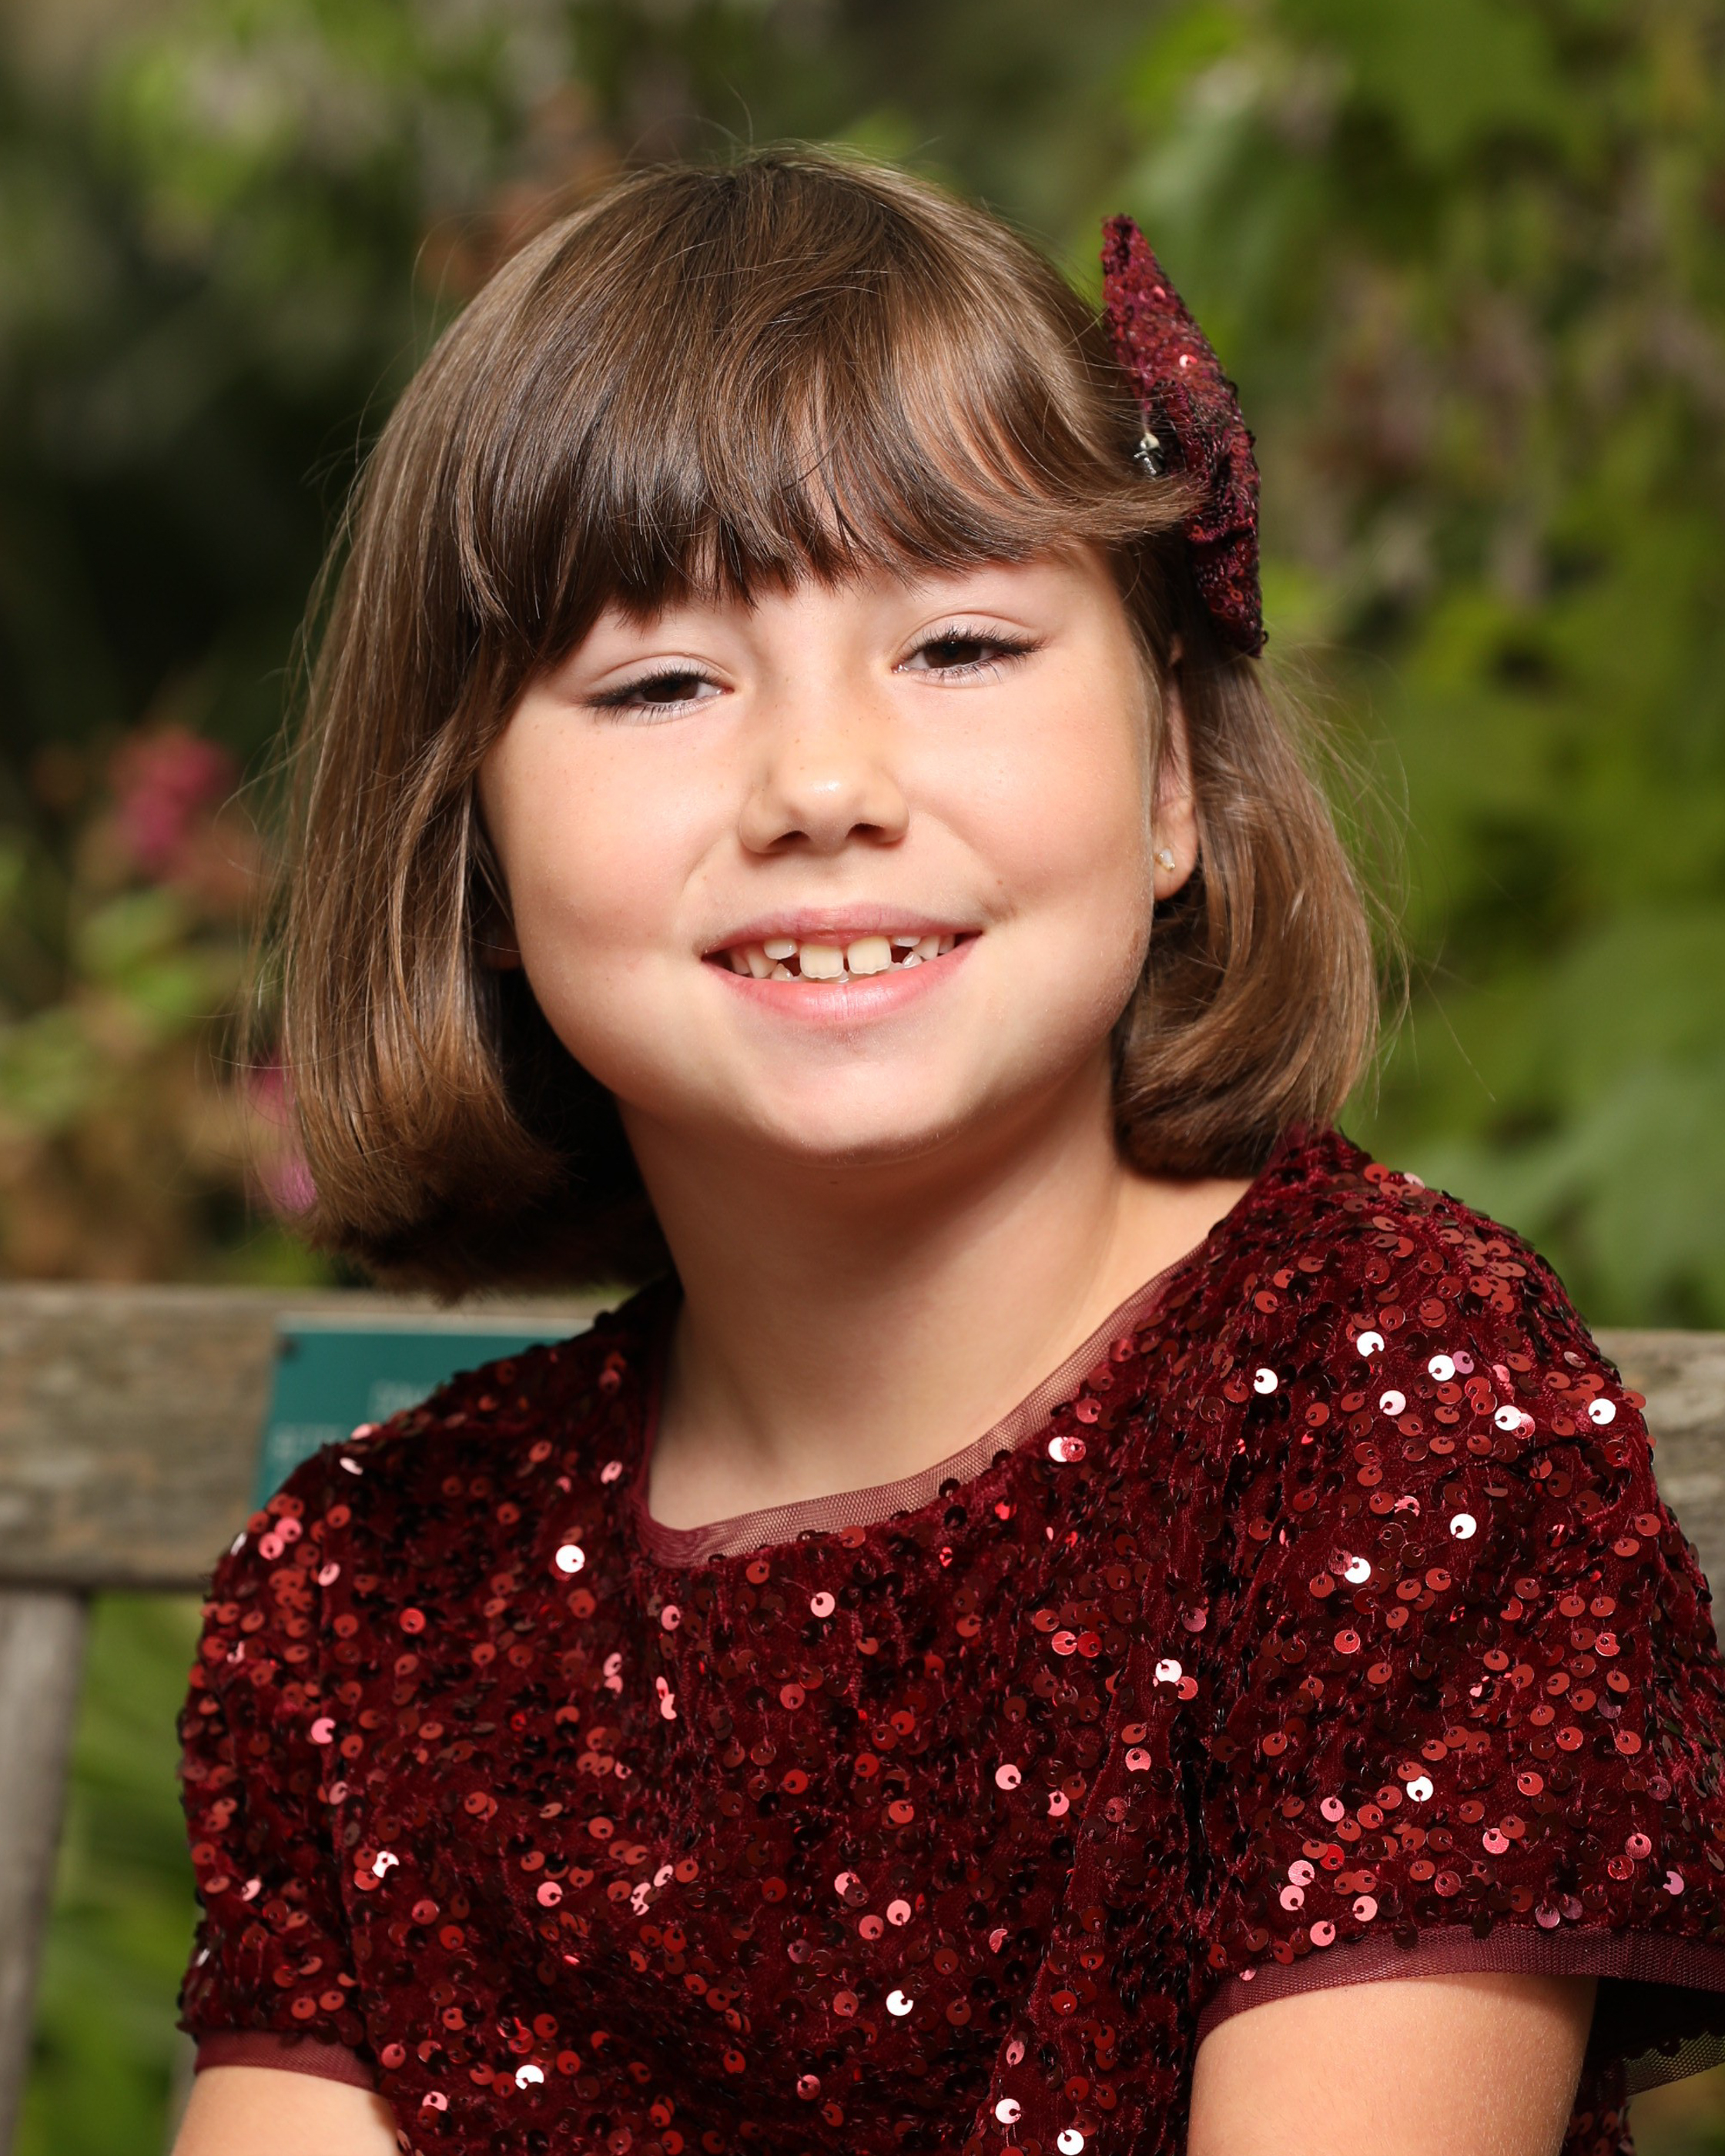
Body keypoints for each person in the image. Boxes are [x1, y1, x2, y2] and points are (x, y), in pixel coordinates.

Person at [171, 149, 1725, 2156]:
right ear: (470, 858)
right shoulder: (373, 1594)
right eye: (661, 683)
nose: (824, 784)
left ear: (1171, 782)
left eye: (961, 648)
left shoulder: (1384, 1409)